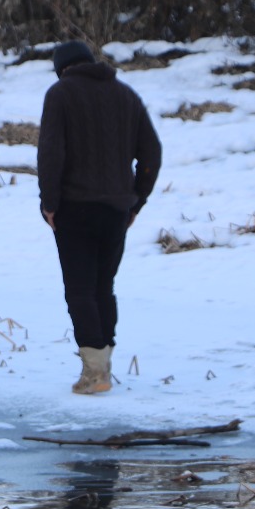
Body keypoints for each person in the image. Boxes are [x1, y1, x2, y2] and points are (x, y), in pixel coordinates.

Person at [37, 39, 162, 395]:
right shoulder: (126, 95)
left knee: (79, 289)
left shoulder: (60, 94)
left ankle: (95, 375)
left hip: (74, 208)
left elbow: (50, 154)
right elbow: (151, 152)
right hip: (116, 211)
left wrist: (49, 203)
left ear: (62, 68)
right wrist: (136, 201)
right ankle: (102, 367)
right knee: (102, 287)